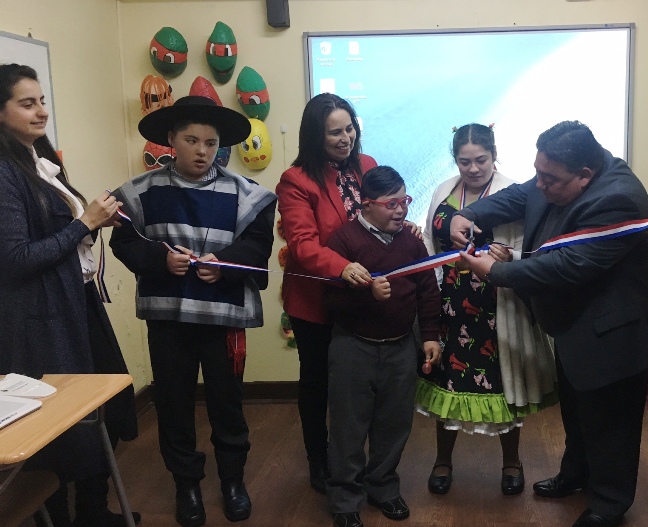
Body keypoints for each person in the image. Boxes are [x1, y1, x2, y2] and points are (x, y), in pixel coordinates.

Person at [450, 121, 648, 527]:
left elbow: (566, 267)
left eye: (549, 179)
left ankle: (609, 503)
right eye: (538, 172)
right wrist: (468, 213)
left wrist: (495, 271)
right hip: (573, 324)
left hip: (608, 331)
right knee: (578, 412)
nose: (539, 185)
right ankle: (575, 474)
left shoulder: (620, 199)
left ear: (584, 176)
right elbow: (518, 196)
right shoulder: (556, 174)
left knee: (610, 424)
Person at [110, 96, 276, 527]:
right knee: (172, 402)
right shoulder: (138, 192)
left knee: (227, 403)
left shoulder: (249, 195)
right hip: (169, 318)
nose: (201, 151)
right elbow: (123, 244)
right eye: (191, 140)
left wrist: (225, 265)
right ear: (171, 140)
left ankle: (232, 481)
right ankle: (186, 483)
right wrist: (159, 260)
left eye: (210, 142)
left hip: (224, 320)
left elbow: (259, 249)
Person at [0, 63, 139, 527]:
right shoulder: (4, 173)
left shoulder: (37, 162)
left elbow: (59, 235)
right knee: (60, 434)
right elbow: (16, 259)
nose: (41, 110)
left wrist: (94, 222)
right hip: (41, 321)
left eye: (42, 100)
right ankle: (64, 518)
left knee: (106, 412)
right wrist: (84, 224)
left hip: (77, 305)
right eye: (27, 103)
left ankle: (94, 512)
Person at [416, 123, 557, 496]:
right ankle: (442, 461)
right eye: (465, 161)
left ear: (494, 156)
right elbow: (431, 244)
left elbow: (530, 246)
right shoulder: (443, 192)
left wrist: (508, 255)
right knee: (447, 381)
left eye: (481, 160)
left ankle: (512, 462)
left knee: (503, 385)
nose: (473, 168)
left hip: (497, 302)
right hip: (452, 303)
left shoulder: (513, 191)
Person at [324, 165, 442, 527]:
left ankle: (383, 488)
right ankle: (345, 499)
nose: (401, 210)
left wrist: (430, 335)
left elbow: (427, 290)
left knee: (394, 424)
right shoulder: (343, 242)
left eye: (404, 201)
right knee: (348, 427)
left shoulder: (410, 240)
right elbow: (329, 300)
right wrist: (365, 291)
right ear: (366, 204)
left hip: (401, 348)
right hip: (352, 346)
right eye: (391, 204)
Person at [275, 93, 377, 493]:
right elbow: (302, 245)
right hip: (316, 303)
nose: (345, 138)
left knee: (360, 386)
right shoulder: (296, 180)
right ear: (314, 137)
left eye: (349, 128)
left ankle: (354, 460)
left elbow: (382, 216)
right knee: (317, 384)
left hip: (362, 297)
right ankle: (319, 462)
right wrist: (343, 267)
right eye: (334, 132)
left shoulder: (367, 167)